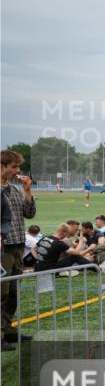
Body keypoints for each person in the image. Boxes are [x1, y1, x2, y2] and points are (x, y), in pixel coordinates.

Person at [1, 150, 36, 351]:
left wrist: (28, 191)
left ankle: (8, 330)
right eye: (14, 166)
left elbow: (29, 213)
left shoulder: (14, 190)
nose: (17, 171)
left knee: (13, 292)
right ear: (2, 166)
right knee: (1, 293)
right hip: (2, 249)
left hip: (17, 247)